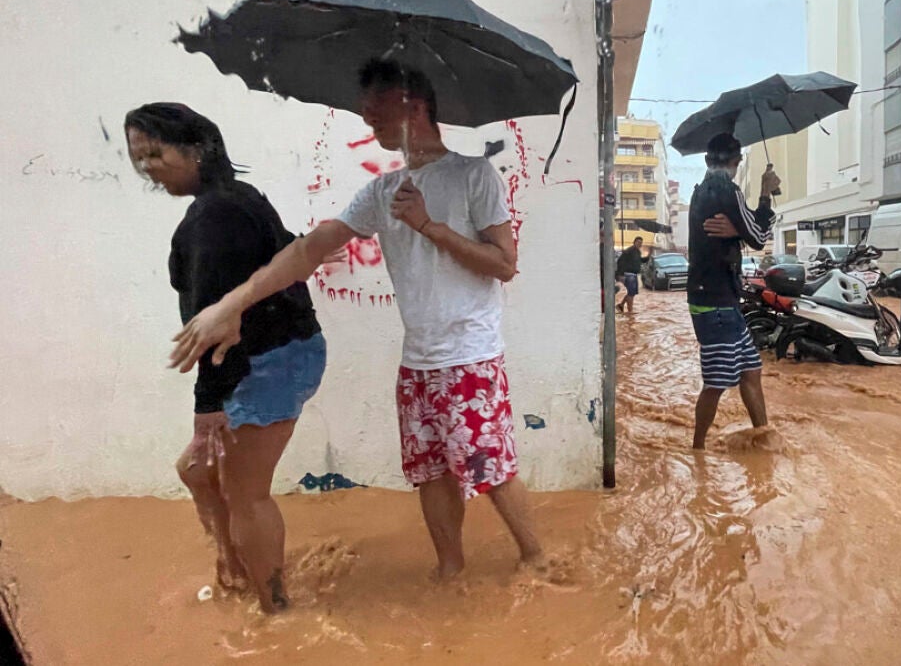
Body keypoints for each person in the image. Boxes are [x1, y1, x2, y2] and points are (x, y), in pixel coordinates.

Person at [168, 59, 544, 581]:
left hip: (471, 357)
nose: (366, 115)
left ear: (414, 105)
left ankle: (537, 558)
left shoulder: (473, 175)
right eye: (364, 106)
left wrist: (428, 226)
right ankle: (450, 572)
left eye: (375, 104)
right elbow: (309, 249)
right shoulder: (381, 192)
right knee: (431, 473)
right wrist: (232, 303)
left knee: (491, 468)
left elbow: (504, 264)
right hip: (418, 363)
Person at [125, 103, 326, 613]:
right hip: (286, 352)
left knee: (246, 494)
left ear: (197, 149)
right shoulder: (237, 197)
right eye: (138, 157)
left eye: (155, 153)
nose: (147, 168)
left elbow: (213, 328)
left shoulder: (214, 216)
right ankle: (236, 565)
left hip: (266, 362)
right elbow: (286, 252)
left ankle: (275, 609)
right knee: (197, 471)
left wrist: (208, 406)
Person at [685, 133, 780, 450]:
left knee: (751, 371)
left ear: (706, 159)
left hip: (719, 301)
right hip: (716, 304)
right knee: (716, 383)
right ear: (737, 162)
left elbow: (739, 233)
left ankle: (764, 438)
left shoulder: (700, 192)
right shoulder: (728, 190)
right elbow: (759, 236)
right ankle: (697, 450)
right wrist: (765, 194)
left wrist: (737, 231)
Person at [615, 236, 649, 313]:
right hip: (628, 274)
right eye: (638, 242)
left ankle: (621, 305)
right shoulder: (629, 251)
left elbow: (640, 261)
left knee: (632, 293)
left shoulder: (637, 252)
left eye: (641, 243)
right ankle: (630, 311)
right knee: (631, 293)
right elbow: (620, 261)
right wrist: (621, 274)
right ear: (634, 242)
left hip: (633, 274)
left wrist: (648, 257)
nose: (640, 244)